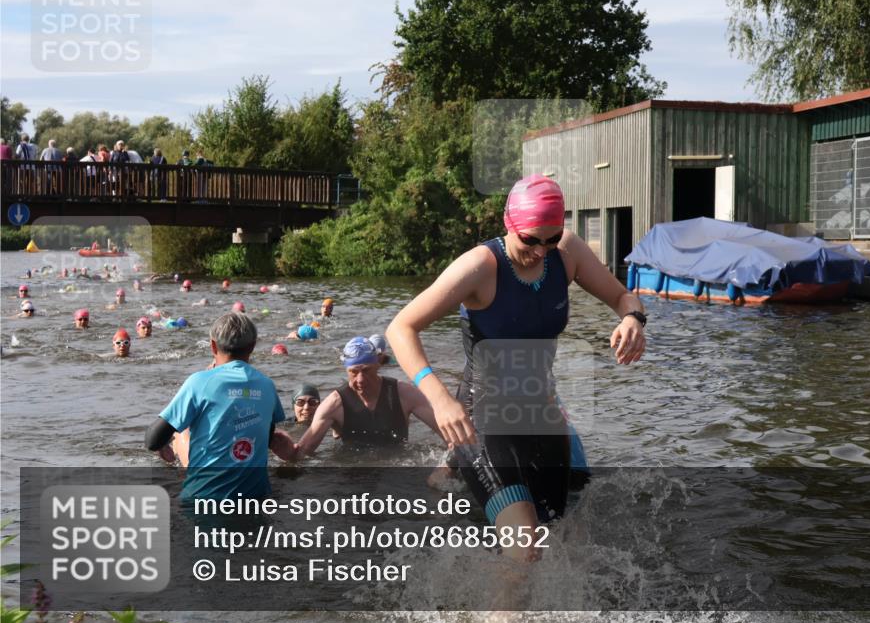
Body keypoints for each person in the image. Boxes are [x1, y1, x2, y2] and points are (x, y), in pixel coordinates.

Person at [386, 174, 646, 562]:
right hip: (484, 421)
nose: (542, 250)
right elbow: (401, 328)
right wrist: (439, 399)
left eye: (551, 238)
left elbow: (623, 296)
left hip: (543, 418)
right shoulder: (479, 267)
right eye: (530, 240)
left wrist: (633, 320)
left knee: (561, 541)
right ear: (510, 224)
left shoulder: (568, 252)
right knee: (525, 545)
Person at [144, 312, 289, 499]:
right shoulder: (267, 385)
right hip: (255, 498)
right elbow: (267, 438)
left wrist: (164, 445)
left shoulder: (199, 382)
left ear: (213, 346)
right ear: (252, 346)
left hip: (205, 498)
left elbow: (152, 440)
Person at [275, 336, 442, 460]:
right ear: (346, 370)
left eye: (367, 370)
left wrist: (448, 466)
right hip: (355, 476)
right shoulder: (333, 405)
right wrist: (285, 449)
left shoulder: (404, 394)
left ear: (378, 364)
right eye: (354, 372)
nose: (360, 379)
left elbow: (450, 434)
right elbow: (301, 455)